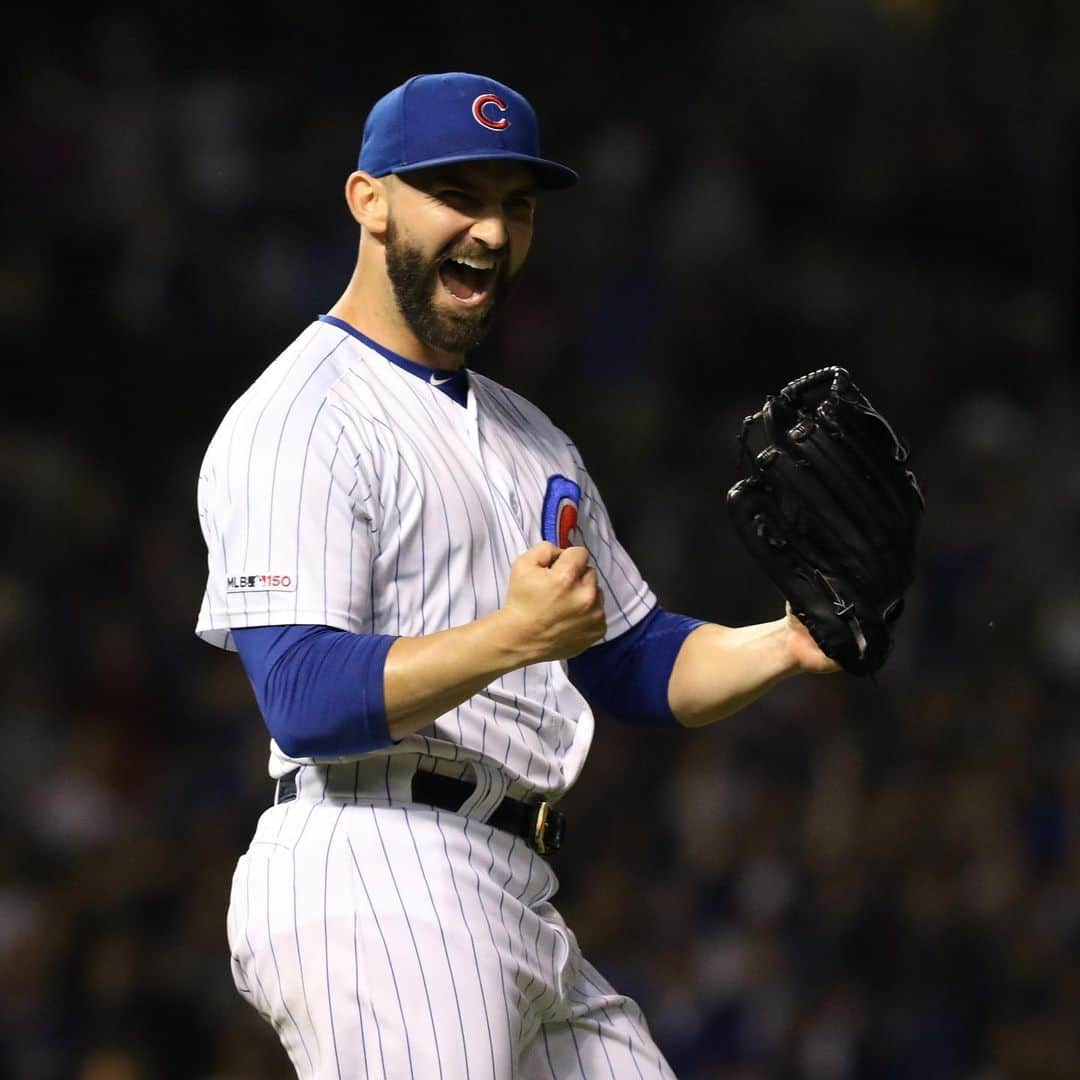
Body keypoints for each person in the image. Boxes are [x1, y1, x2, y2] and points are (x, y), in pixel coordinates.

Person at [194, 71, 837, 1079]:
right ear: (370, 200)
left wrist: (792, 641)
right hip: (377, 863)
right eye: (459, 195)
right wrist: (515, 636)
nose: (491, 232)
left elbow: (634, 660)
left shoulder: (533, 439)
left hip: (515, 889)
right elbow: (303, 696)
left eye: (516, 206)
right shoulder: (298, 417)